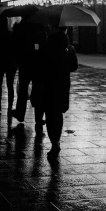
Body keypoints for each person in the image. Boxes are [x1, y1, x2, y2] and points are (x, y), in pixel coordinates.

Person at [31, 27, 78, 159]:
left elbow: (37, 68)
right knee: (57, 115)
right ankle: (56, 140)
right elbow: (73, 67)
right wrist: (72, 52)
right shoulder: (68, 51)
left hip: (47, 87)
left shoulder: (45, 50)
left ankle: (54, 142)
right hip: (62, 88)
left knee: (50, 115)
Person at [12, 18, 48, 129]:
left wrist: (17, 60)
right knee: (38, 89)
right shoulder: (41, 26)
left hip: (24, 63)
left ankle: (20, 114)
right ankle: (38, 118)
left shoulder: (19, 27)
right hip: (39, 63)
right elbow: (45, 43)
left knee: (23, 89)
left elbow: (15, 45)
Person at [0, 14, 18, 114]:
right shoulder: (11, 34)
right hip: (10, 63)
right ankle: (10, 106)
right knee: (10, 85)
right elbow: (15, 49)